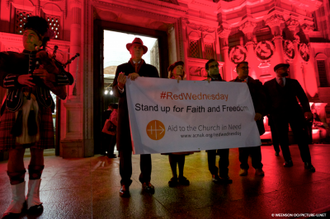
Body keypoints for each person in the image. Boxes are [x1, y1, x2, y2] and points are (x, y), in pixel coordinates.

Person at [0, 16, 74, 218]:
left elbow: (64, 89)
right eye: (24, 34)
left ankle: (33, 198)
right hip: (16, 106)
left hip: (39, 107)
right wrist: (18, 78)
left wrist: (48, 77)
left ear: (41, 40)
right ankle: (16, 202)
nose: (26, 38)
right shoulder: (11, 58)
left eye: (31, 35)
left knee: (37, 151)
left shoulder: (50, 63)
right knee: (15, 151)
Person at [113, 38, 159, 197]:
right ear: (130, 50)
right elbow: (115, 93)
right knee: (125, 149)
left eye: (140, 48)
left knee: (146, 148)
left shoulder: (152, 69)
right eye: (135, 47)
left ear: (144, 51)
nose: (137, 50)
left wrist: (139, 78)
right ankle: (125, 182)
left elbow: (158, 89)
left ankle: (146, 180)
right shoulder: (121, 68)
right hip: (126, 113)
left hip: (145, 113)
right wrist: (120, 86)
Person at [263, 63, 315, 172]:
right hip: (277, 114)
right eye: (283, 69)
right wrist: (269, 112)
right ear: (276, 70)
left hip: (294, 113)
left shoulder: (293, 82)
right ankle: (287, 159)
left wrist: (307, 110)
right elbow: (266, 100)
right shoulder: (268, 84)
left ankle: (307, 161)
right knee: (282, 138)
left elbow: (302, 96)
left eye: (286, 68)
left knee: (301, 137)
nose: (286, 70)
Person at [231, 62, 265, 177]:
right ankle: (243, 166)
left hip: (254, 119)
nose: (245, 70)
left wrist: (260, 112)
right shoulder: (230, 85)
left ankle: (258, 167)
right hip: (240, 120)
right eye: (243, 68)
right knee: (243, 145)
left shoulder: (256, 84)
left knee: (255, 144)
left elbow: (262, 99)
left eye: (247, 68)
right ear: (237, 70)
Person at [204, 59, 232, 184]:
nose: (215, 68)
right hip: (209, 123)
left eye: (216, 66)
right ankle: (214, 173)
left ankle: (224, 173)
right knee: (211, 150)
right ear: (207, 70)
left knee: (225, 150)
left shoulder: (226, 84)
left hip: (223, 122)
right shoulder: (202, 84)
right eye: (212, 66)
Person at [165, 61, 191, 187]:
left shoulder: (187, 83)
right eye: (178, 67)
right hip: (171, 118)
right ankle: (174, 175)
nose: (180, 69)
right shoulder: (167, 83)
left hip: (183, 119)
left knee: (182, 150)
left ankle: (181, 174)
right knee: (172, 150)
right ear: (173, 70)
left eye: (182, 67)